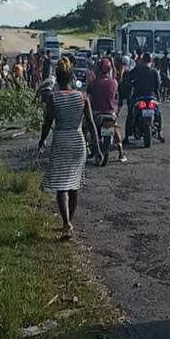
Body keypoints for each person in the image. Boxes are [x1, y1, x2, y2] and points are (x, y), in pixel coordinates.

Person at [39, 58, 101, 239]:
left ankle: (66, 222)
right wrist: (97, 149)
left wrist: (42, 140)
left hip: (61, 141)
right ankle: (69, 222)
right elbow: (90, 125)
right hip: (77, 142)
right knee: (74, 185)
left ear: (57, 79)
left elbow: (48, 122)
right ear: (72, 77)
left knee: (61, 186)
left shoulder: (53, 98)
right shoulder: (82, 97)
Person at [87, 57, 126, 163]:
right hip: (110, 113)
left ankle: (87, 147)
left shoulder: (94, 83)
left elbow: (88, 92)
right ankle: (121, 151)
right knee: (115, 128)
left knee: (87, 127)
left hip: (97, 113)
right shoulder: (114, 83)